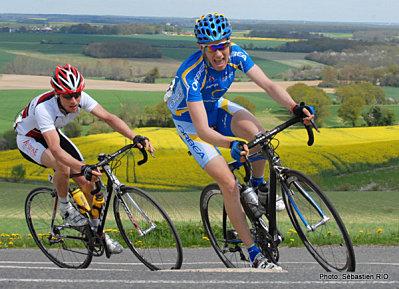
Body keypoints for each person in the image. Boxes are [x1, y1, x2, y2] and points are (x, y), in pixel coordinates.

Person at [164, 13, 314, 270]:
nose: (219, 54)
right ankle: (254, 253)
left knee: (259, 135)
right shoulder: (191, 75)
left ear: (230, 43)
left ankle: (258, 185)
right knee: (229, 185)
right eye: (212, 48)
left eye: (222, 45)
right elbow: (202, 129)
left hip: (216, 106)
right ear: (202, 48)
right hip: (191, 122)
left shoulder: (237, 55)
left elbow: (267, 84)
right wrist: (229, 145)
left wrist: (293, 107)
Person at [14, 64, 154, 254]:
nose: (74, 100)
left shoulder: (80, 99)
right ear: (57, 94)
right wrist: (83, 166)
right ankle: (65, 209)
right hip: (29, 138)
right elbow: (55, 149)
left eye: (77, 94)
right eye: (68, 96)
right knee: (63, 166)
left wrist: (134, 137)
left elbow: (109, 118)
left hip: (51, 132)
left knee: (89, 181)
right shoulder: (43, 109)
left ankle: (99, 234)